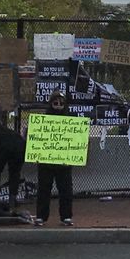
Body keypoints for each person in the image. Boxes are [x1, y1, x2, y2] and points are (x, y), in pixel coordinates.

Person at [35, 90, 75, 226]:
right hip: (46, 162)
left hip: (64, 162)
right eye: (55, 103)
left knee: (66, 190)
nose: (58, 105)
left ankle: (66, 216)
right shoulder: (43, 121)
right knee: (43, 190)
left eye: (61, 103)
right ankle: (41, 216)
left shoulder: (70, 122)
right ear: (50, 104)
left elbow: (76, 140)